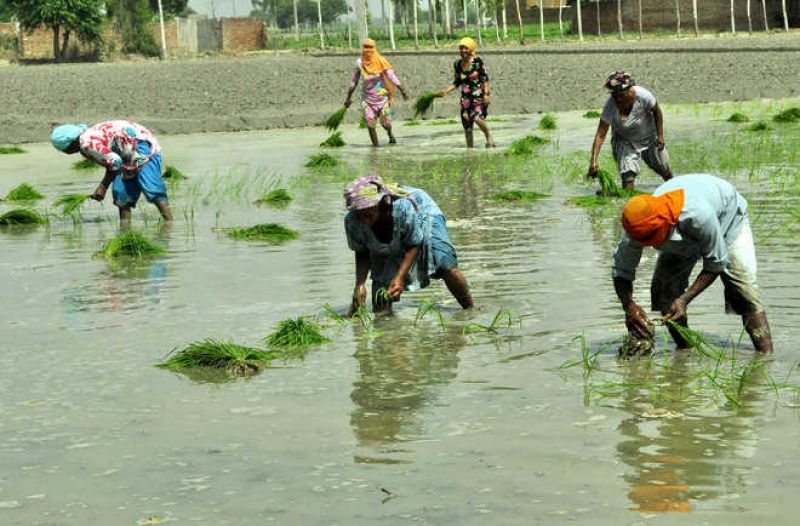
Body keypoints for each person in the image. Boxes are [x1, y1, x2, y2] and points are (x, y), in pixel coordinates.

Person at [612, 173, 772, 354]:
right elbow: (621, 270)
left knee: (744, 292)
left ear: (663, 223)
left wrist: (684, 300)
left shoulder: (698, 215)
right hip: (684, 232)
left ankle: (766, 359)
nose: (647, 245)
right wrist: (628, 305)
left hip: (727, 219)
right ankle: (685, 353)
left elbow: (716, 261)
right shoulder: (637, 225)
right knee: (665, 292)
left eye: (651, 239)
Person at [343, 175, 473, 314]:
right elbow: (362, 251)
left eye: (368, 214)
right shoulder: (352, 221)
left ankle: (470, 309)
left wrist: (399, 278)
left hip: (422, 210)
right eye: (359, 214)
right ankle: (386, 329)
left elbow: (414, 244)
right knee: (381, 300)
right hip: (395, 226)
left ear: (380, 205)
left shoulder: (401, 207)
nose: (364, 220)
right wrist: (360, 284)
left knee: (444, 264)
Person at [50, 120, 173, 222]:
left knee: (152, 189)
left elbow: (115, 162)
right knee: (121, 194)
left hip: (140, 144)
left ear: (69, 144)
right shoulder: (85, 142)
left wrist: (103, 186)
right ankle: (125, 231)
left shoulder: (87, 143)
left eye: (63, 149)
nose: (65, 153)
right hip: (124, 152)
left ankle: (169, 224)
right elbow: (113, 161)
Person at [589, 71, 672, 190]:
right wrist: (594, 160)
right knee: (628, 175)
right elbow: (600, 134)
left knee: (663, 168)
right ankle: (628, 201)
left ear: (629, 90)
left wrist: (660, 136)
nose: (618, 99)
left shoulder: (643, 96)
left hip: (648, 136)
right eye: (614, 95)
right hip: (624, 140)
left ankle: (676, 189)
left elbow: (657, 112)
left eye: (621, 95)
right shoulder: (611, 106)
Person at [344, 39, 409, 147]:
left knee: (385, 123)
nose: (368, 50)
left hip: (382, 97)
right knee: (370, 125)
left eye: (370, 48)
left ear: (374, 49)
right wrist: (348, 98)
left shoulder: (381, 61)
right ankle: (376, 149)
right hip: (367, 99)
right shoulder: (360, 63)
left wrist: (402, 90)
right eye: (366, 47)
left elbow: (391, 76)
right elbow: (354, 81)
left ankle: (390, 134)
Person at [435, 37, 494, 148]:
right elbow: (457, 82)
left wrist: (486, 95)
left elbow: (484, 79)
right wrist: (445, 91)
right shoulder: (457, 64)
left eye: (465, 48)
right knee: (467, 128)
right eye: (461, 48)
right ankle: (470, 153)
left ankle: (488, 136)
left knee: (477, 118)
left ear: (471, 49)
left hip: (478, 98)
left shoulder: (477, 62)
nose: (463, 51)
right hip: (465, 100)